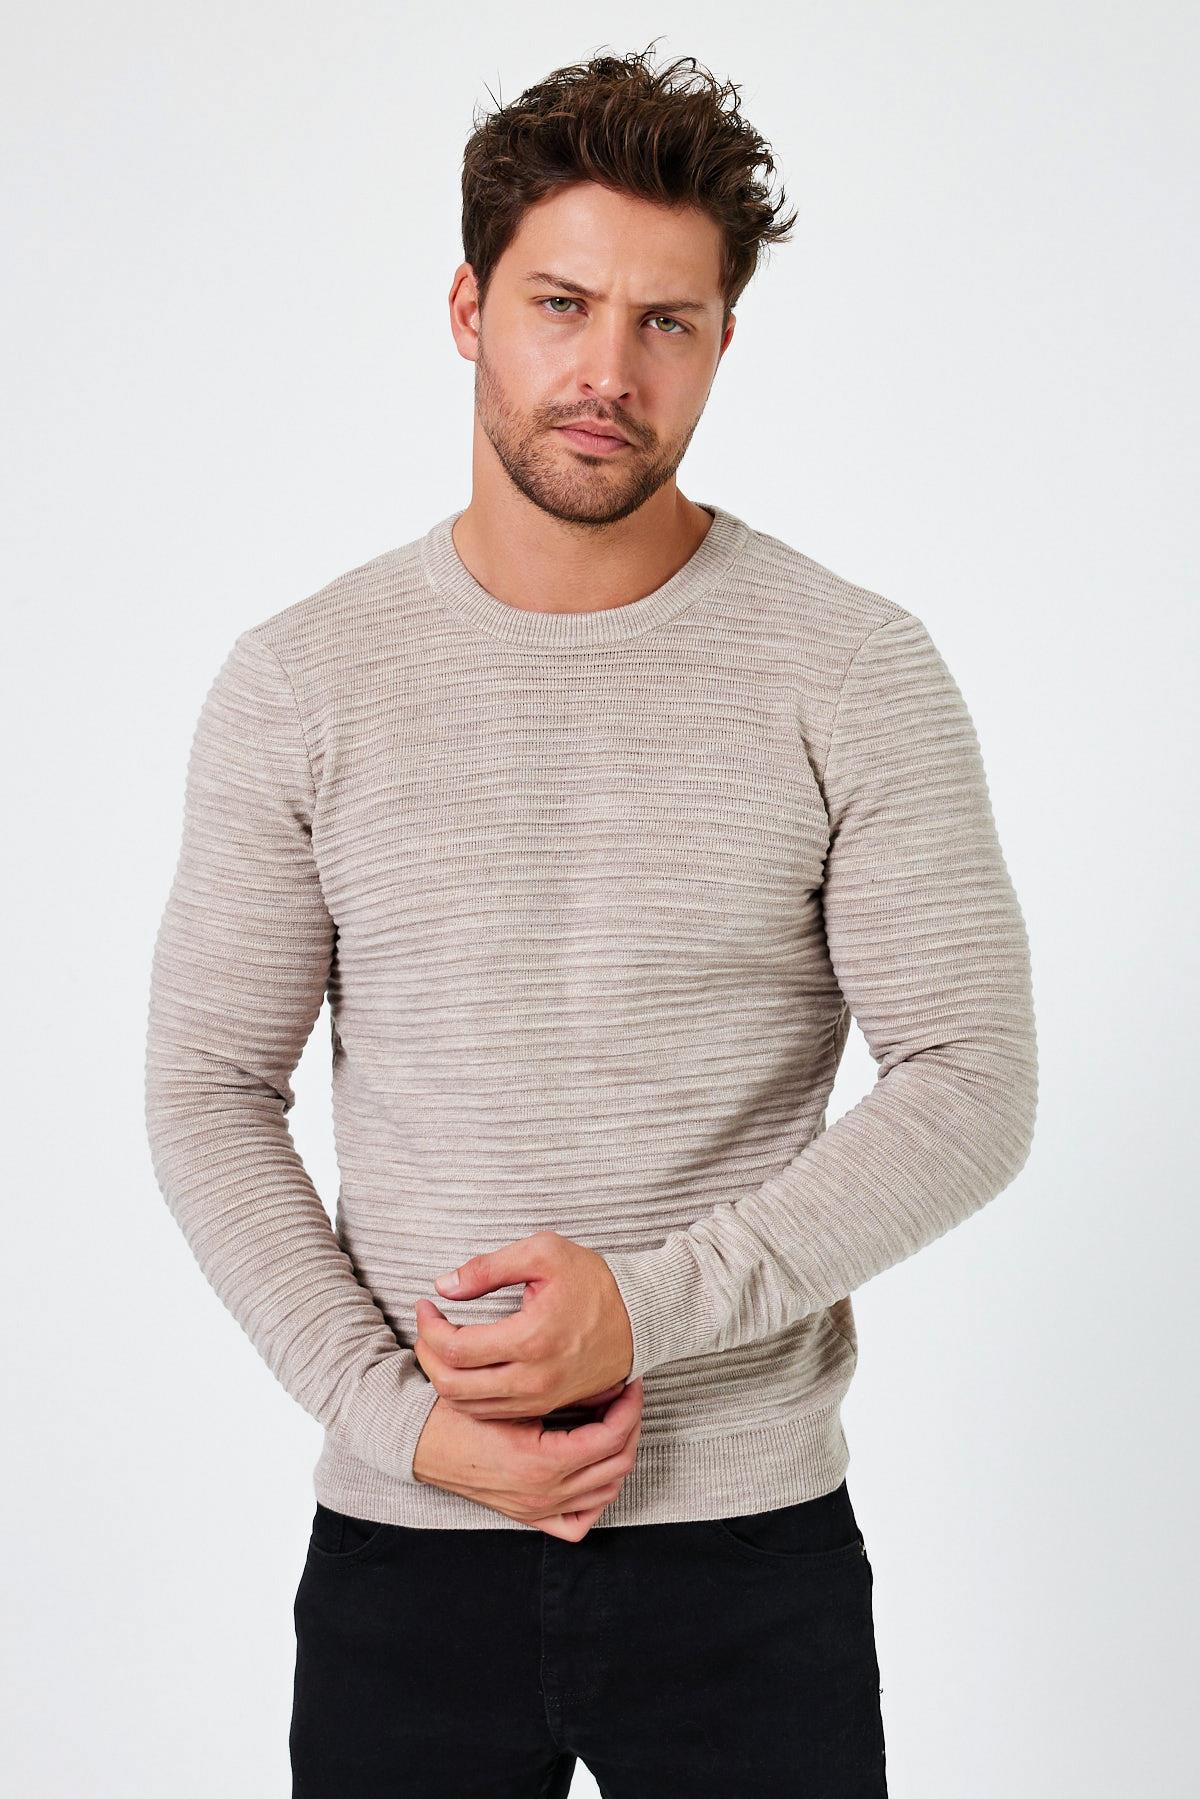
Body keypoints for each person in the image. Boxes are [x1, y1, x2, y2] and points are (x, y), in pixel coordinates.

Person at [144, 44, 1038, 1799]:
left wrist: (645, 1310)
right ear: (468, 309)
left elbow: (972, 1078)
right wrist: (409, 1425)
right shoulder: (302, 682)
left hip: (749, 1556)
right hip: (407, 1548)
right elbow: (205, 1090)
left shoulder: (852, 669)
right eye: (561, 305)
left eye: (666, 323)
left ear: (721, 343)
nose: (608, 373)